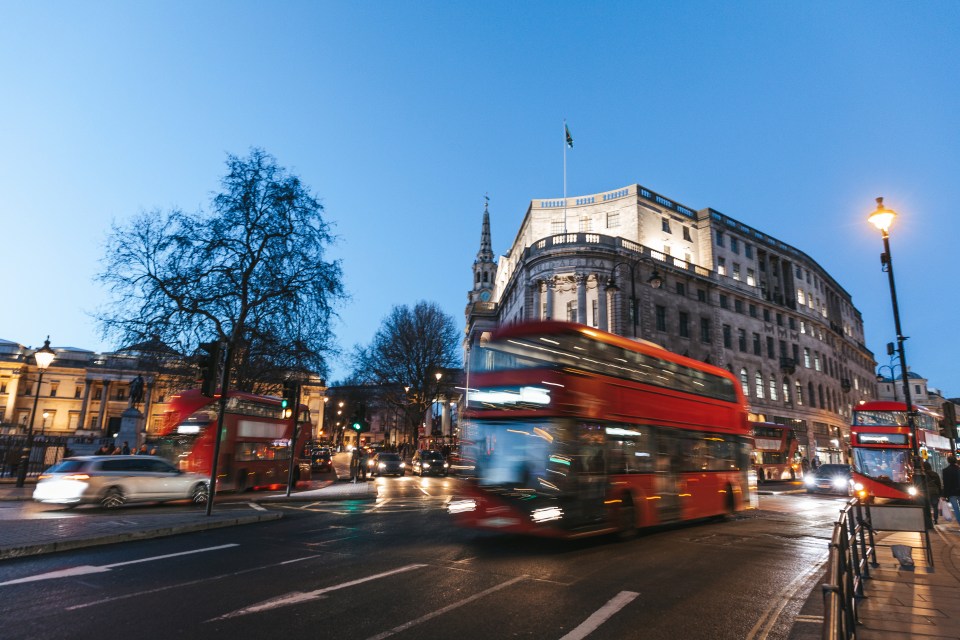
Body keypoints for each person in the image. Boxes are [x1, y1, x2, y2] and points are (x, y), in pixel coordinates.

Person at [941, 455, 960, 526]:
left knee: (956, 509)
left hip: (952, 493)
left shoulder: (945, 471)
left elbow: (946, 484)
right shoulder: (958, 469)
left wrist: (944, 495)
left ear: (948, 461)